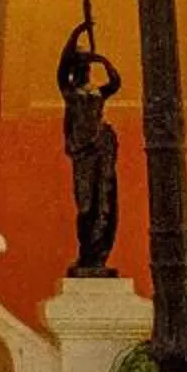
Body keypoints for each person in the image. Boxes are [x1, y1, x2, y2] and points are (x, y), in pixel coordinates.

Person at [58, 19, 122, 275]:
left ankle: (98, 257)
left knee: (104, 203)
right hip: (82, 154)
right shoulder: (70, 91)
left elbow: (115, 83)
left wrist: (103, 61)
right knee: (85, 204)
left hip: (102, 150)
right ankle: (87, 253)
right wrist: (77, 32)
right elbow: (62, 66)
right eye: (81, 65)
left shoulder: (96, 92)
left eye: (87, 65)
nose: (85, 69)